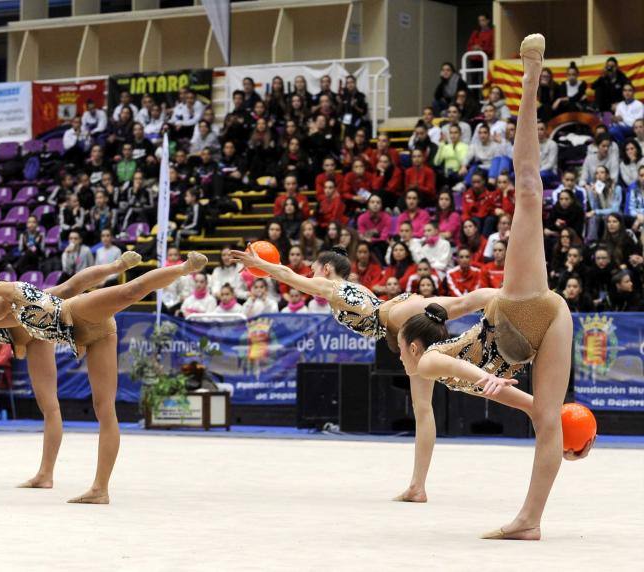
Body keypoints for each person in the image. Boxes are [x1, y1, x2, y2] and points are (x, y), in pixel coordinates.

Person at [397, 35, 593, 540]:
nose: (403, 363)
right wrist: (554, 421)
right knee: (548, 422)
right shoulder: (436, 358)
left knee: (527, 194)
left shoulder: (429, 359)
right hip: (548, 327)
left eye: (402, 352)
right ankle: (530, 521)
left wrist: (506, 389)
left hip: (526, 308)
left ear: (413, 345)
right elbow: (517, 397)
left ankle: (530, 77)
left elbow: (455, 356)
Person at [229, 244, 506, 504]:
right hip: (399, 327)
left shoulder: (332, 286)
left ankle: (513, 296)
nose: (311, 274)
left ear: (326, 268)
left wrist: (260, 263)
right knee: (422, 407)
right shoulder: (349, 286)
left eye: (313, 268)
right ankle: (417, 487)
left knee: (462, 305)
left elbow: (290, 276)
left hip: (396, 315)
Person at [0, 245, 207, 503]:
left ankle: (183, 267)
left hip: (79, 313)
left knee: (129, 291)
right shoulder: (11, 318)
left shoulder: (15, 290)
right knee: (104, 408)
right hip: (94, 337)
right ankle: (100, 490)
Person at [538, 121, 559, 188]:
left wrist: (537, 171)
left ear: (546, 131)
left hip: (550, 172)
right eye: (537, 129)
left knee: (541, 176)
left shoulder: (552, 144)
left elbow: (551, 164)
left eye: (542, 129)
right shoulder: (531, 145)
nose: (539, 131)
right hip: (536, 172)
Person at [624, 165, 644, 231]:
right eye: (642, 175)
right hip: (636, 216)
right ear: (638, 177)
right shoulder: (633, 189)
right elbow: (631, 208)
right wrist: (637, 216)